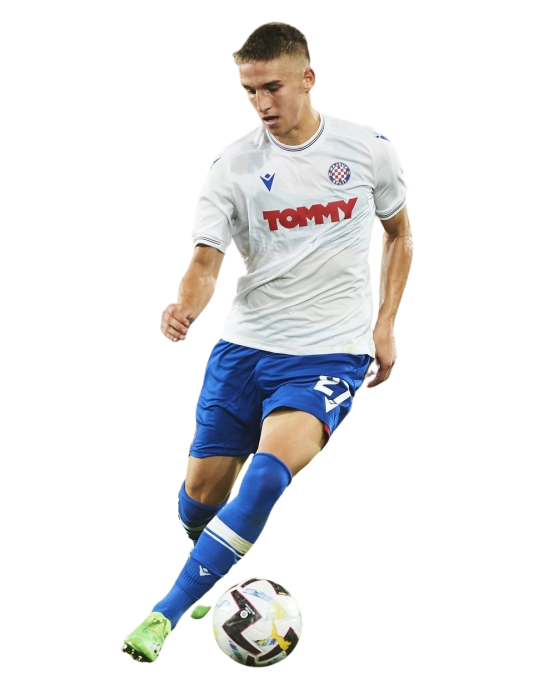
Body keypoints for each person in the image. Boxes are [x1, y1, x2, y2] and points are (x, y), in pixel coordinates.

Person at [120, 20, 413, 663]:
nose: (260, 102)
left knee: (264, 479)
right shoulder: (234, 164)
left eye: (272, 87)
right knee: (198, 498)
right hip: (245, 347)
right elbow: (205, 262)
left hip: (331, 351)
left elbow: (399, 234)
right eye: (249, 90)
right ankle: (208, 565)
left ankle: (163, 615)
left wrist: (385, 325)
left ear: (308, 78)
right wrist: (184, 307)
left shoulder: (367, 149)